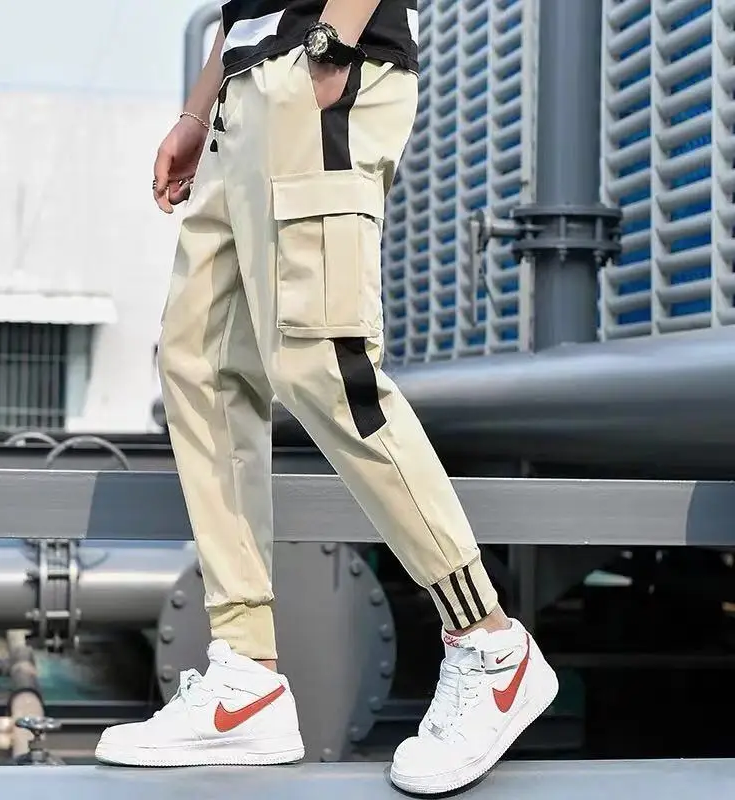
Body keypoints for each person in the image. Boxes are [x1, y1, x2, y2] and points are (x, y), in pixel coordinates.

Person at [95, 0, 559, 792]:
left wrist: (331, 45)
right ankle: (246, 676)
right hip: (246, 88)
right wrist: (197, 110)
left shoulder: (326, 57)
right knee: (199, 365)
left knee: (324, 363)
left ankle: (491, 645)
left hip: (318, 64)